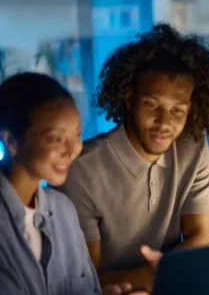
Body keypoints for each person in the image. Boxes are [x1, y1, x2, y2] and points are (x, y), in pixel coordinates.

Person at [60, 24, 209, 289]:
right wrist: (154, 274)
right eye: (152, 105)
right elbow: (85, 281)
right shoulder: (82, 169)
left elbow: (200, 237)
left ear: (190, 108)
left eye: (177, 110)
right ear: (129, 98)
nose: (164, 122)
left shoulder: (193, 148)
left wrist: (166, 271)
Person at [0, 73, 152, 295]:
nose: (73, 150)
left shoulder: (63, 210)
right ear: (12, 141)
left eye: (77, 135)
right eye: (56, 139)